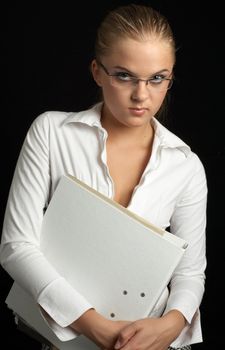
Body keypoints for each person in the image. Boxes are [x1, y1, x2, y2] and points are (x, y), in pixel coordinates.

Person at [0, 3, 207, 350]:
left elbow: (189, 273)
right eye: (124, 75)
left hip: (151, 341)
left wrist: (170, 326)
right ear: (97, 72)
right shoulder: (52, 132)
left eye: (157, 78)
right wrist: (95, 326)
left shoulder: (185, 166)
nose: (141, 95)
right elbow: (16, 247)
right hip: (63, 336)